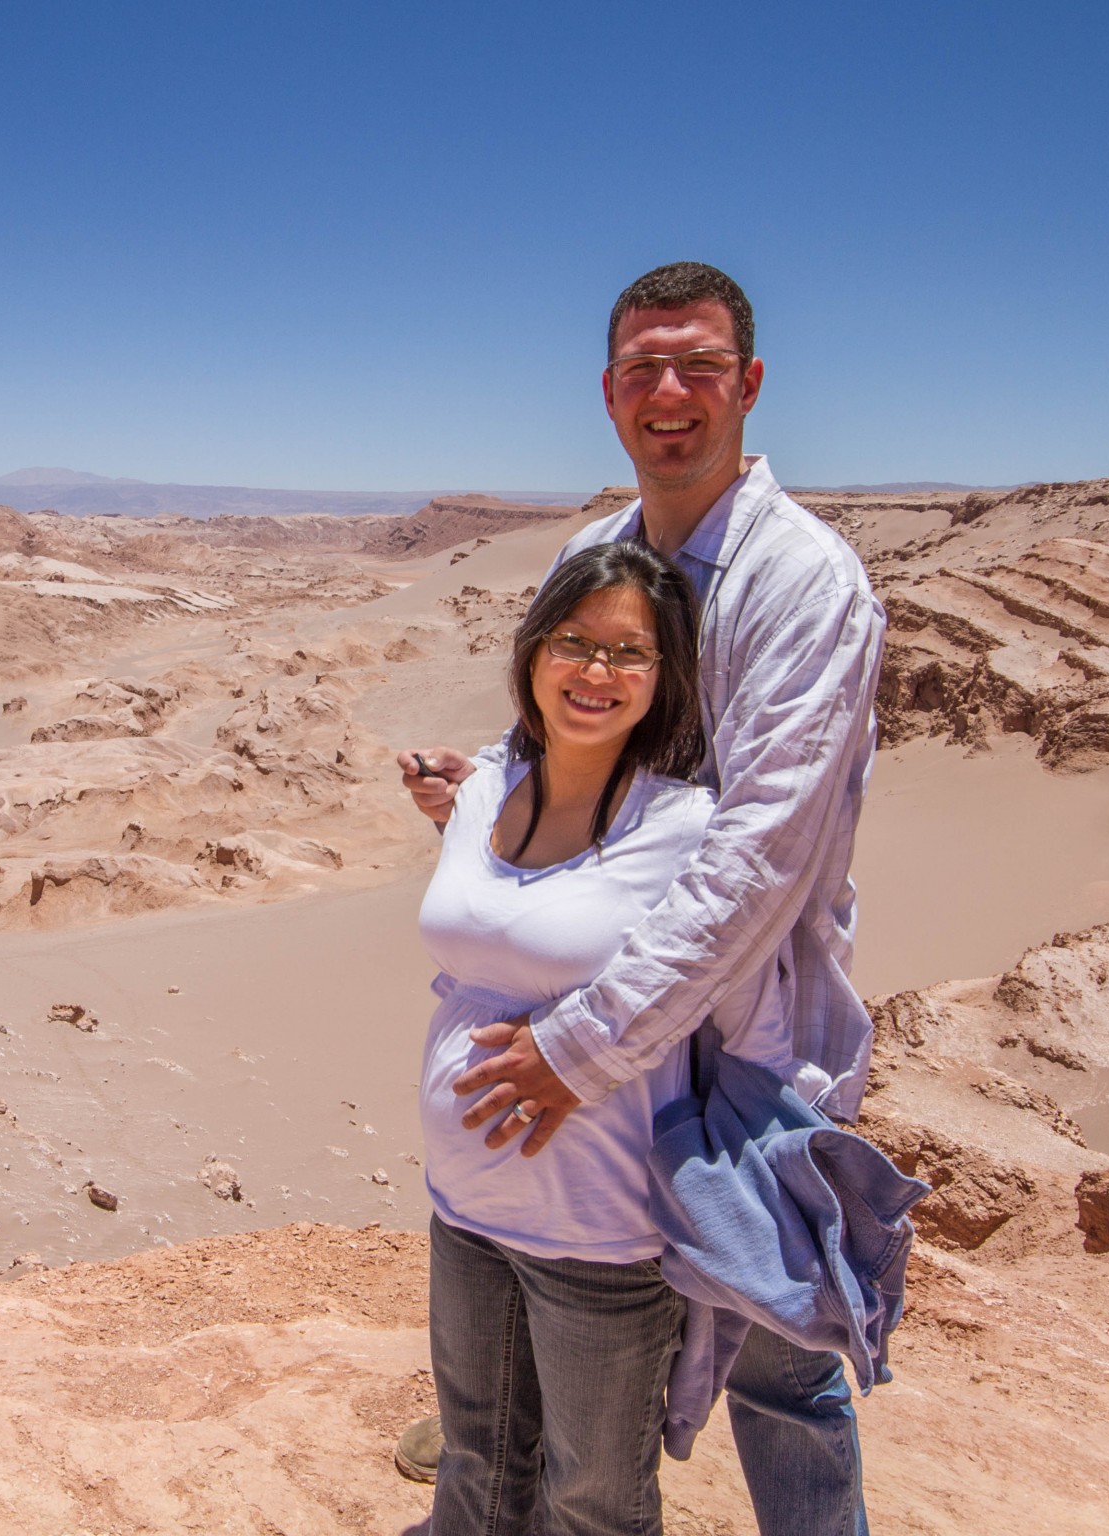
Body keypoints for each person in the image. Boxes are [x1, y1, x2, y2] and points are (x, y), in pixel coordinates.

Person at [397, 261, 888, 1536]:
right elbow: (575, 726)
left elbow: (760, 859)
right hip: (602, 1015)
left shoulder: (803, 580)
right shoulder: (597, 549)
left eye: (700, 368)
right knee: (581, 1310)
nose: (670, 394)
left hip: (743, 1038)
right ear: (609, 394)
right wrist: (496, 796)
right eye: (642, 371)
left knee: (777, 1352)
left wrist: (584, 1047)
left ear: (749, 385)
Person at [417, 537, 808, 1536]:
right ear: (533, 651)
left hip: (599, 1230)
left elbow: (740, 1004)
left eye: (630, 654)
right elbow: (507, 924)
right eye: (575, 642)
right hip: (465, 1209)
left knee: (593, 1499)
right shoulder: (483, 788)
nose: (597, 671)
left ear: (664, 679)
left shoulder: (686, 829)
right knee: (476, 1460)